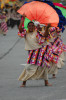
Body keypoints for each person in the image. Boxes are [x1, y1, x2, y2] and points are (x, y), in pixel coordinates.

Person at [18, 14, 66, 87]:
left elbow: (45, 36)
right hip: (32, 53)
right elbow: (20, 29)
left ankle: (46, 82)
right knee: (29, 67)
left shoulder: (37, 32)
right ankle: (24, 82)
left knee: (44, 67)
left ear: (34, 27)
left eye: (32, 26)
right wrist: (23, 19)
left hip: (41, 52)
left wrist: (46, 28)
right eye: (29, 26)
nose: (31, 27)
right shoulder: (26, 33)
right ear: (27, 27)